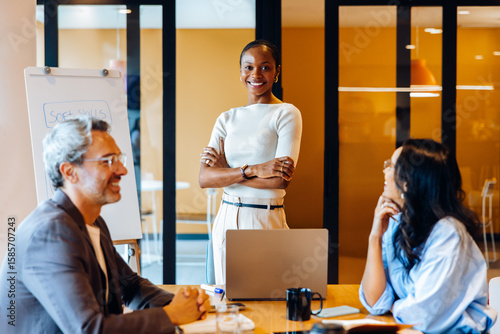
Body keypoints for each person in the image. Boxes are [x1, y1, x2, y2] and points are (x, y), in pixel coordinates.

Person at [0, 116, 210, 334]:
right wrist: (172, 315)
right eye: (107, 161)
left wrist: (185, 304)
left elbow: (129, 286)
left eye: (119, 159)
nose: (122, 170)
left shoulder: (92, 221)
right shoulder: (50, 234)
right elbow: (90, 329)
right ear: (69, 172)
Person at [360, 138, 497, 333]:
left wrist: (394, 306)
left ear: (408, 183)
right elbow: (374, 301)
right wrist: (375, 238)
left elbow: (422, 315)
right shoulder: (397, 223)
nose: (385, 171)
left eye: (392, 166)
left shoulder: (449, 234)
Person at [199, 39, 302, 284]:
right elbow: (205, 178)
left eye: (265, 67)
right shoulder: (226, 119)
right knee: (226, 300)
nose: (255, 74)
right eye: (248, 67)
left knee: (267, 297)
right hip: (227, 215)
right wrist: (255, 169)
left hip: (265, 217)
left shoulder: (286, 113)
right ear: (241, 72)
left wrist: (227, 173)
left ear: (277, 72)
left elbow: (279, 181)